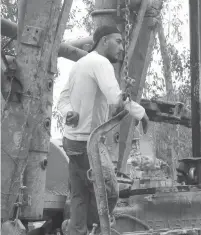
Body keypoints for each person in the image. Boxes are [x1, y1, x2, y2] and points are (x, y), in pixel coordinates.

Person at [57, 25, 149, 235]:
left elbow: (62, 99)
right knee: (110, 191)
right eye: (118, 41)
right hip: (88, 143)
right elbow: (115, 97)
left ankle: (76, 229)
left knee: (80, 194)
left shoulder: (79, 65)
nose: (122, 47)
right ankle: (93, 229)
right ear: (104, 40)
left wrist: (69, 112)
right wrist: (140, 112)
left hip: (70, 141)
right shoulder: (101, 62)